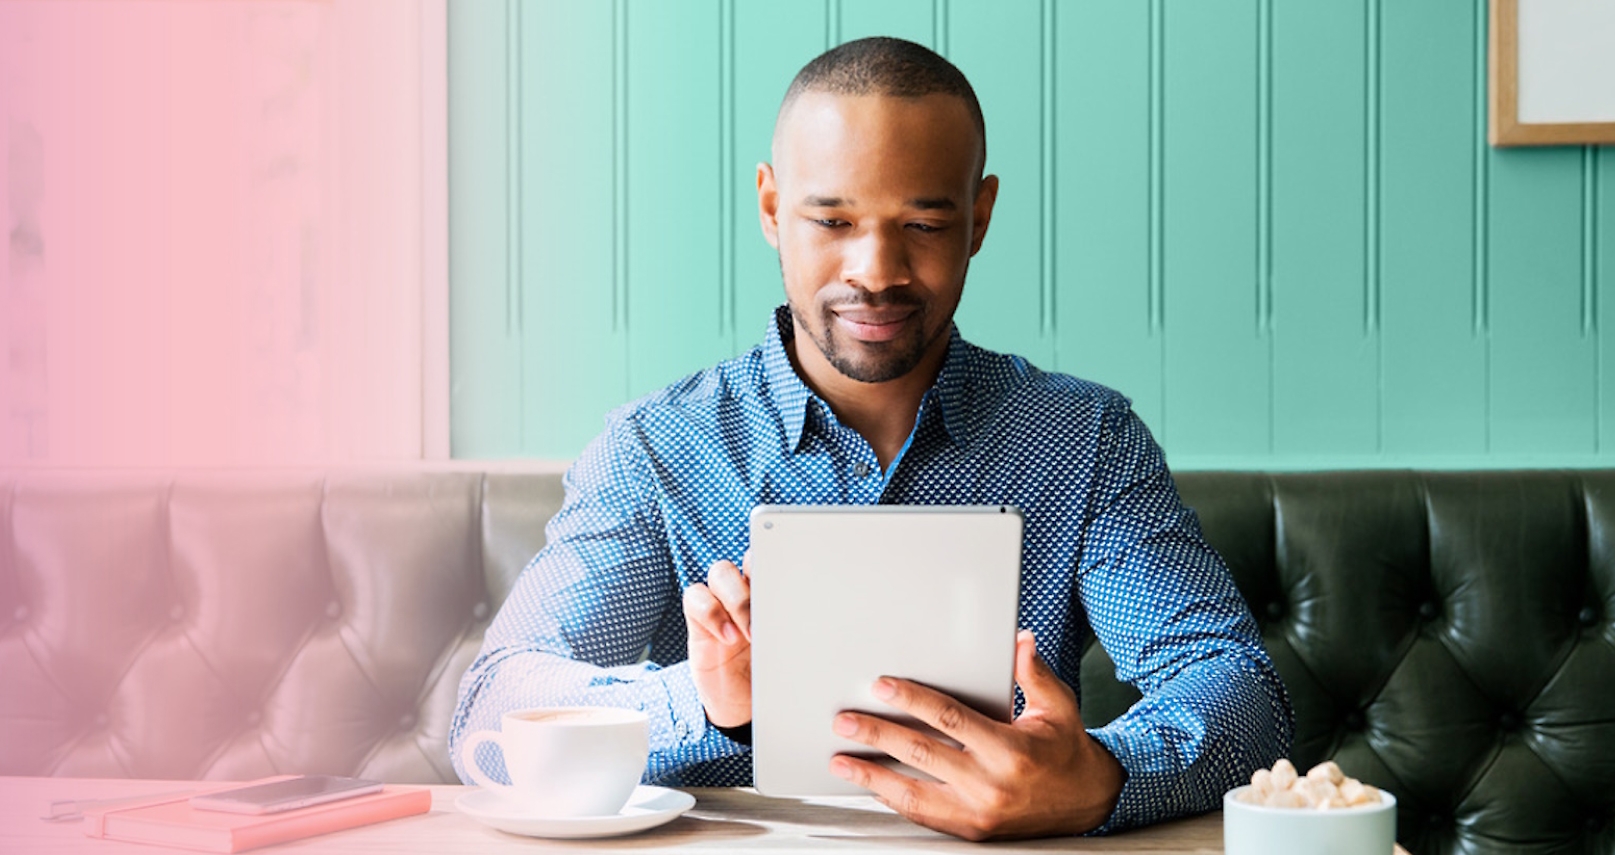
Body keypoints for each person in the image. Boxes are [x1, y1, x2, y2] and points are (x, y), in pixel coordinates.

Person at [448, 36, 1292, 840]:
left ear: (980, 216)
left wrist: (1102, 773)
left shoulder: (1084, 437)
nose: (877, 271)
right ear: (774, 208)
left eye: (923, 225)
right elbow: (491, 706)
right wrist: (705, 703)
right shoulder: (658, 446)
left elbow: (1241, 691)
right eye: (834, 221)